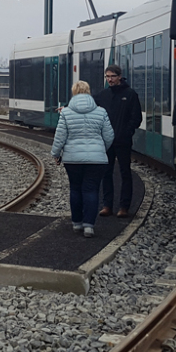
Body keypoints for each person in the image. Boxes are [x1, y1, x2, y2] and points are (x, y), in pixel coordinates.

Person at [51, 81, 114, 238]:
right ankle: (89, 226)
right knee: (91, 189)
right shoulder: (101, 112)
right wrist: (100, 150)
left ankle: (77, 223)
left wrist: (56, 154)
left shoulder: (66, 113)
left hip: (73, 159)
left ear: (73, 93)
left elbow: (60, 137)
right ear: (89, 92)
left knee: (75, 188)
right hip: (96, 160)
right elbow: (109, 136)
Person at [94, 65, 142, 218]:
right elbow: (87, 105)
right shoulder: (103, 95)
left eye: (112, 76)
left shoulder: (130, 94)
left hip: (122, 141)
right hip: (106, 141)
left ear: (120, 76)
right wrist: (68, 108)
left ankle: (124, 206)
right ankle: (107, 205)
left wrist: (127, 132)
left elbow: (136, 118)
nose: (110, 79)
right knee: (106, 173)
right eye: (107, 77)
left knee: (125, 173)